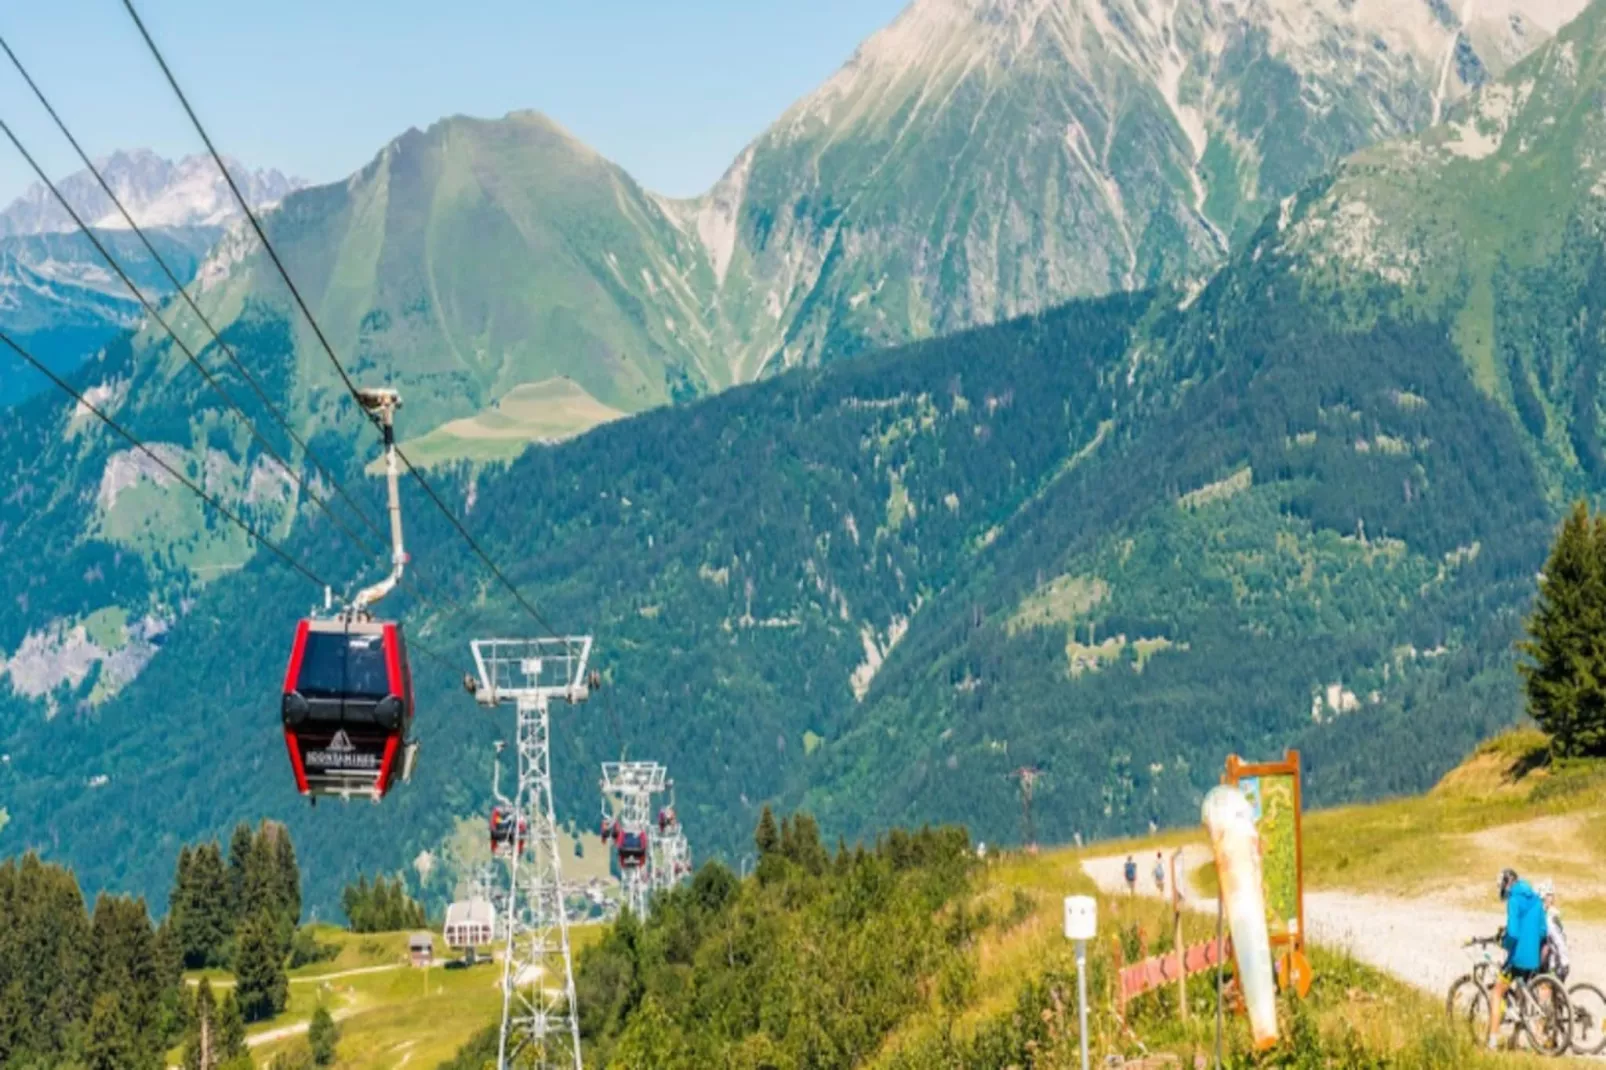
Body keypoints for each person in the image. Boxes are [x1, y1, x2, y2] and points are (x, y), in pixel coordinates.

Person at [1488, 868, 1548, 1049]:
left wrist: (1504, 943)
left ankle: (1492, 1040)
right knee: (1524, 993)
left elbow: (1513, 933)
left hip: (1518, 958)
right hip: (1534, 959)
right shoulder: (1536, 899)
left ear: (1507, 884)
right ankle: (1526, 1036)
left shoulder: (1514, 901)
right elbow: (1543, 930)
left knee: (1497, 991)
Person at [1538, 879, 1570, 981]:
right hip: (1558, 961)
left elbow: (1559, 941)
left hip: (1554, 964)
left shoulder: (1549, 918)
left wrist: (1564, 962)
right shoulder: (1553, 914)